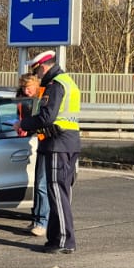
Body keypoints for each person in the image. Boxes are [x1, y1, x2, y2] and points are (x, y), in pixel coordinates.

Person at [16, 50, 81, 255]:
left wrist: (23, 123)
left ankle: (64, 241)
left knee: (57, 194)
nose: (37, 76)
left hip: (57, 144)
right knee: (61, 194)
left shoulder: (55, 85)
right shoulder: (68, 81)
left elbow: (46, 117)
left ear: (43, 67)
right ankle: (56, 238)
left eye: (37, 71)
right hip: (69, 142)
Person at [16, 73, 49, 236]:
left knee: (42, 184)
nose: (26, 91)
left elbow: (43, 120)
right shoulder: (22, 99)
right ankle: (36, 220)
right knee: (38, 183)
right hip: (33, 142)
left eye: (29, 88)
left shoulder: (45, 96)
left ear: (36, 86)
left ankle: (42, 222)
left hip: (48, 142)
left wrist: (26, 126)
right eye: (24, 88)